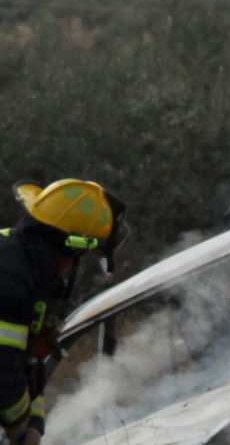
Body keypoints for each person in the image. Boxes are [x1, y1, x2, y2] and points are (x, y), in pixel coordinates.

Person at [1, 179, 128, 444]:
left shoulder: (30, 273)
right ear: (65, 247)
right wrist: (20, 427)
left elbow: (30, 363)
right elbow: (3, 369)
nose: (74, 267)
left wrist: (34, 425)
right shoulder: (8, 279)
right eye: (78, 257)